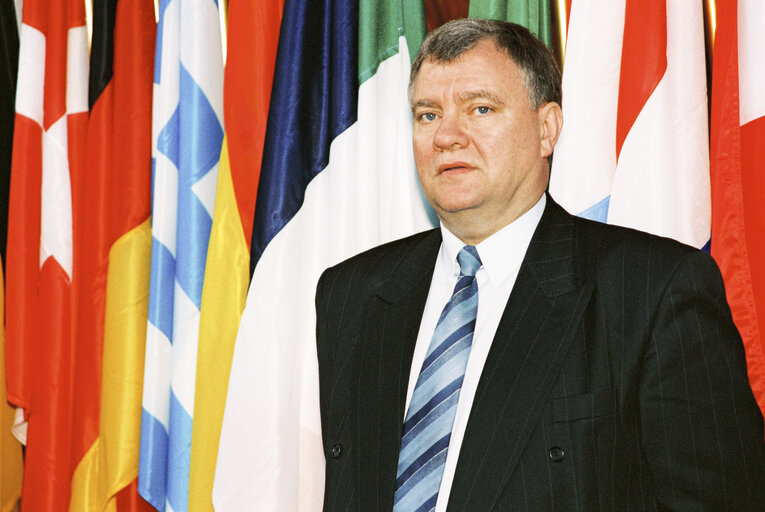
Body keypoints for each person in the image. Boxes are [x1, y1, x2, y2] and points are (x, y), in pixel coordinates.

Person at [315, 18, 765, 511]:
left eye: (480, 108)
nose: (446, 135)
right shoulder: (352, 293)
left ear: (547, 128)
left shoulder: (651, 292)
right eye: (427, 114)